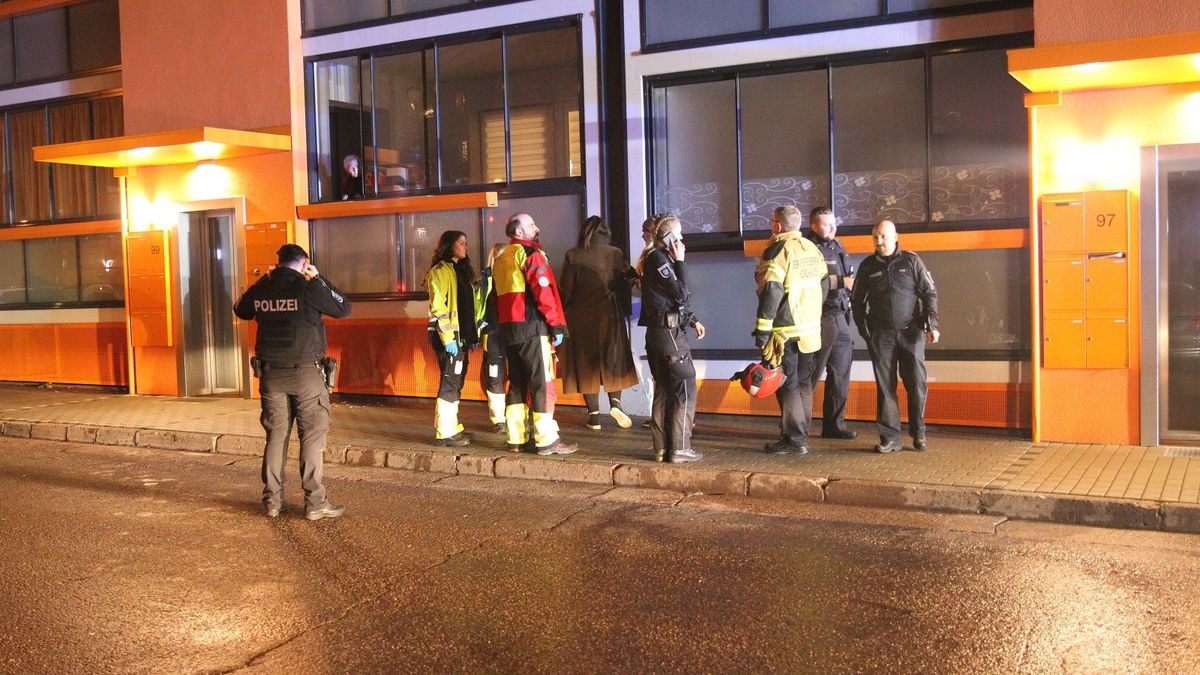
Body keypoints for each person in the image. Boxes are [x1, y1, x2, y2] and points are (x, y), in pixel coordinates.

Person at [234, 243, 351, 520]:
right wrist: (319, 277)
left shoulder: (264, 288)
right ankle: (315, 502)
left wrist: (264, 277)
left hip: (271, 376)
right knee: (311, 436)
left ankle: (273, 502)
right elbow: (343, 308)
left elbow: (240, 309)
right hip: (306, 375)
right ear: (303, 263)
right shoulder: (309, 288)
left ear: (279, 263)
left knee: (276, 437)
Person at [851, 219, 940, 453]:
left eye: (883, 236)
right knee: (885, 388)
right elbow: (856, 301)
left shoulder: (912, 261)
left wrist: (932, 324)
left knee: (916, 384)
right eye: (875, 237)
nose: (879, 241)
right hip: (881, 336)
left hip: (911, 334)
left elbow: (929, 293)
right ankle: (890, 437)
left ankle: (918, 433)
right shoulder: (868, 266)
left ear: (895, 237)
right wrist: (864, 329)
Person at [493, 213, 577, 455]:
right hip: (533, 329)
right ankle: (546, 439)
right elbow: (545, 294)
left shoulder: (501, 259)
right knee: (542, 383)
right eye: (531, 225)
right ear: (518, 233)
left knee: (517, 384)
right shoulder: (532, 256)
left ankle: (516, 438)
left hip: (510, 331)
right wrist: (556, 325)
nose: (536, 227)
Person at [753, 205, 829, 456]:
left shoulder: (776, 251)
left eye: (772, 221)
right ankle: (802, 434)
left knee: (787, 385)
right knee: (804, 384)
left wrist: (763, 329)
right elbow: (825, 284)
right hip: (810, 330)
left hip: (785, 331)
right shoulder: (811, 248)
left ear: (777, 225)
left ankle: (794, 440)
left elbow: (771, 291)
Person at [559, 215, 639, 430]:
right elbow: (623, 282)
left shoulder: (573, 255)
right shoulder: (616, 254)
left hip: (580, 317)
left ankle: (594, 417)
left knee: (586, 365)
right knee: (613, 358)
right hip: (610, 315)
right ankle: (616, 404)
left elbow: (565, 290)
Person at [638, 214, 706, 463]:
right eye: (678, 234)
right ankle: (680, 447)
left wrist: (692, 319)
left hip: (661, 333)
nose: (682, 238)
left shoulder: (655, 258)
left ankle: (662, 448)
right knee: (685, 386)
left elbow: (669, 301)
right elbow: (681, 295)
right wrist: (681, 261)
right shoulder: (659, 258)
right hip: (668, 335)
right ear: (668, 237)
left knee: (665, 389)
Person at [424, 230, 482, 447]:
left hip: (460, 338)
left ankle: (452, 427)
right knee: (450, 382)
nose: (466, 247)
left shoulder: (460, 271)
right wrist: (448, 338)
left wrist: (472, 335)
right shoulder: (440, 271)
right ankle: (444, 432)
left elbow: (469, 308)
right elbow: (438, 307)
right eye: (461, 243)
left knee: (456, 381)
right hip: (448, 338)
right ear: (449, 246)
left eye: (466, 243)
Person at [805, 206, 858, 440]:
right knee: (810, 375)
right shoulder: (808, 248)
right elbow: (808, 281)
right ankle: (798, 428)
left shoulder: (837, 246)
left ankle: (834, 425)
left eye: (834, 223)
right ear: (814, 225)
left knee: (840, 373)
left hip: (840, 317)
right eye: (827, 224)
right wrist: (840, 282)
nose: (833, 228)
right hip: (819, 319)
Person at [478, 242, 509, 434]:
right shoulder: (486, 278)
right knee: (495, 376)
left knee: (497, 376)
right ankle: (500, 418)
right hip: (498, 332)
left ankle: (503, 418)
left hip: (502, 332)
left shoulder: (488, 278)